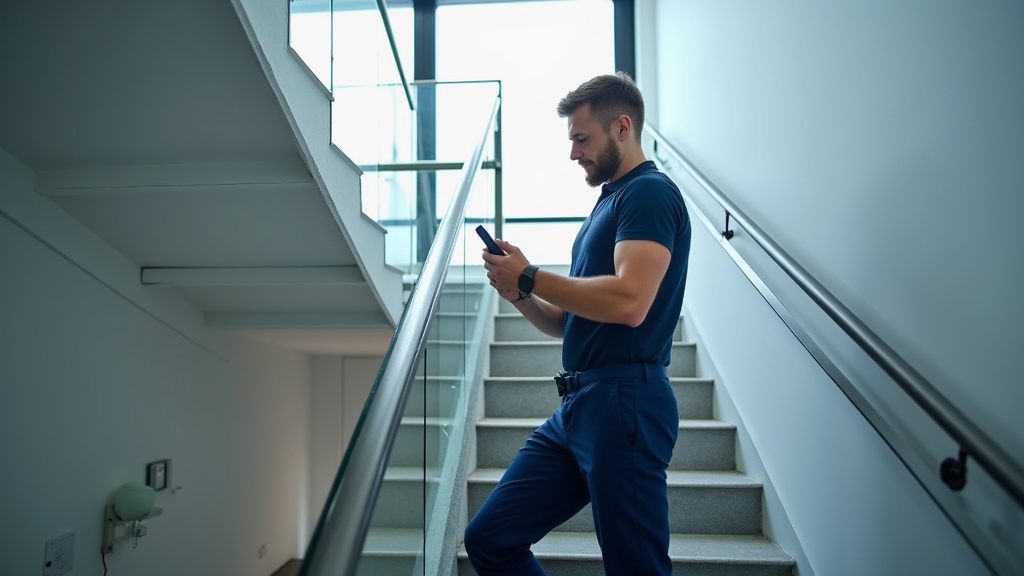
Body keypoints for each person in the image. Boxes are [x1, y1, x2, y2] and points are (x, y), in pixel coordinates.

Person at [464, 72, 691, 576]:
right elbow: (565, 322)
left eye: (582, 138)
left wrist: (530, 274)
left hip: (624, 401)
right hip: (578, 406)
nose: (573, 153)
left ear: (622, 128)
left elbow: (630, 301)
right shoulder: (607, 204)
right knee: (490, 539)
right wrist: (520, 293)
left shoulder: (649, 193)